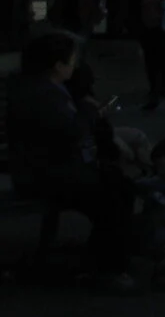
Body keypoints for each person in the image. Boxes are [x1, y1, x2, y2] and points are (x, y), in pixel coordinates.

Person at [6, 29, 140, 288]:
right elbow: (71, 132)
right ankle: (107, 268)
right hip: (47, 173)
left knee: (117, 187)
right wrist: (90, 111)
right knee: (113, 194)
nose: (75, 66)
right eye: (72, 61)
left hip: (51, 167)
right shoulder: (43, 94)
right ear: (57, 66)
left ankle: (105, 258)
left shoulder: (41, 88)